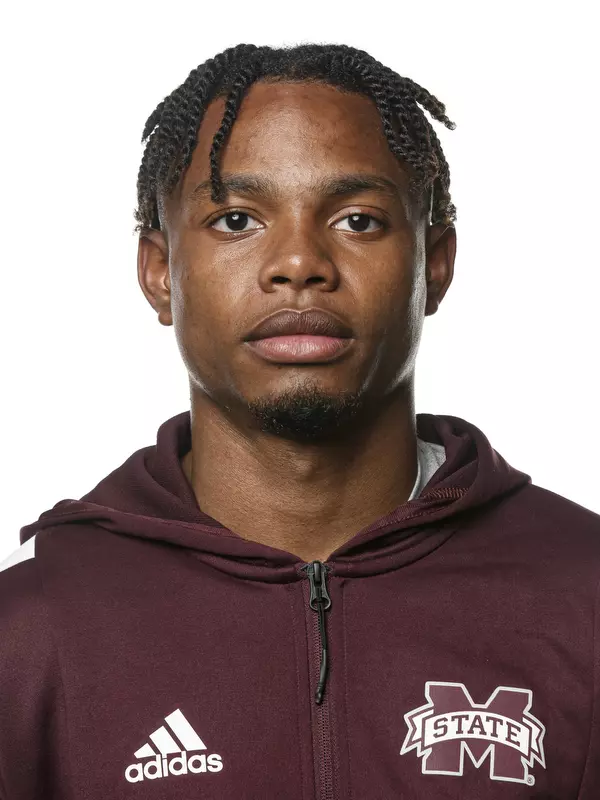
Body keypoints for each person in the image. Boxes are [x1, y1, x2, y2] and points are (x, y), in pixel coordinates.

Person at [1, 42, 598, 800]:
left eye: (357, 219)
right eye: (237, 218)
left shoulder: (585, 597)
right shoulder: (31, 635)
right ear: (158, 273)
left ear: (435, 263)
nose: (298, 263)